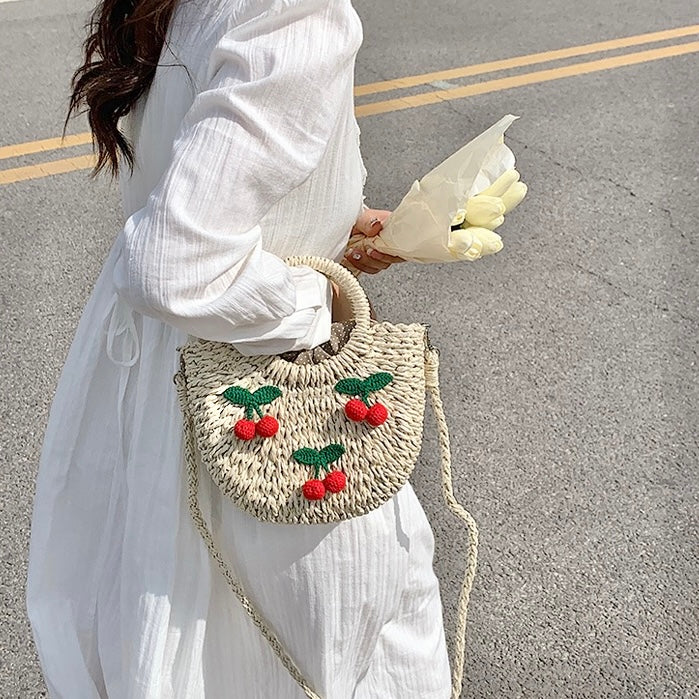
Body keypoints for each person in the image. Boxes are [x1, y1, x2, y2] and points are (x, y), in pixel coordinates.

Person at [26, 0, 453, 696]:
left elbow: (198, 170)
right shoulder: (294, 11)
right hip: (260, 402)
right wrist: (312, 301)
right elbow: (175, 264)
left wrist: (331, 222)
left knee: (178, 637)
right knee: (302, 647)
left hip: (160, 384)